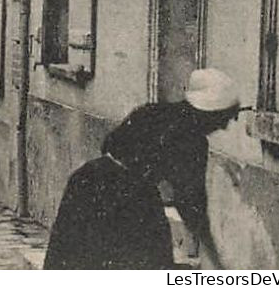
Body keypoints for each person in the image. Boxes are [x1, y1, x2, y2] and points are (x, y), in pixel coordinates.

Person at [45, 68, 243, 270]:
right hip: (127, 198)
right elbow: (192, 205)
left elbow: (108, 144)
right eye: (224, 118)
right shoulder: (193, 141)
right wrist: (216, 261)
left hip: (87, 180)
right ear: (208, 113)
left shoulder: (152, 111)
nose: (224, 127)